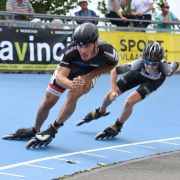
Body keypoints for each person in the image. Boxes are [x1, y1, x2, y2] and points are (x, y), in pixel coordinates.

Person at [2, 23, 118, 148]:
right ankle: (35, 130)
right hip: (69, 71)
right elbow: (60, 77)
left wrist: (90, 76)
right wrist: (72, 83)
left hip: (88, 72)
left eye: (87, 46)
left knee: (74, 94)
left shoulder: (108, 51)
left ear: (96, 43)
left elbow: (112, 65)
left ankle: (53, 128)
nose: (83, 50)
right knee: (48, 101)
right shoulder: (72, 51)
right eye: (80, 45)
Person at [76, 41, 179, 140]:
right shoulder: (138, 63)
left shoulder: (167, 69)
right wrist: (113, 91)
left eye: (153, 64)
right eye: (147, 62)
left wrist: (174, 65)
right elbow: (114, 71)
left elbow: (176, 64)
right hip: (138, 73)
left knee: (129, 102)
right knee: (109, 95)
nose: (149, 66)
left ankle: (117, 126)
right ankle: (100, 111)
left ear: (159, 63)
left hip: (154, 81)